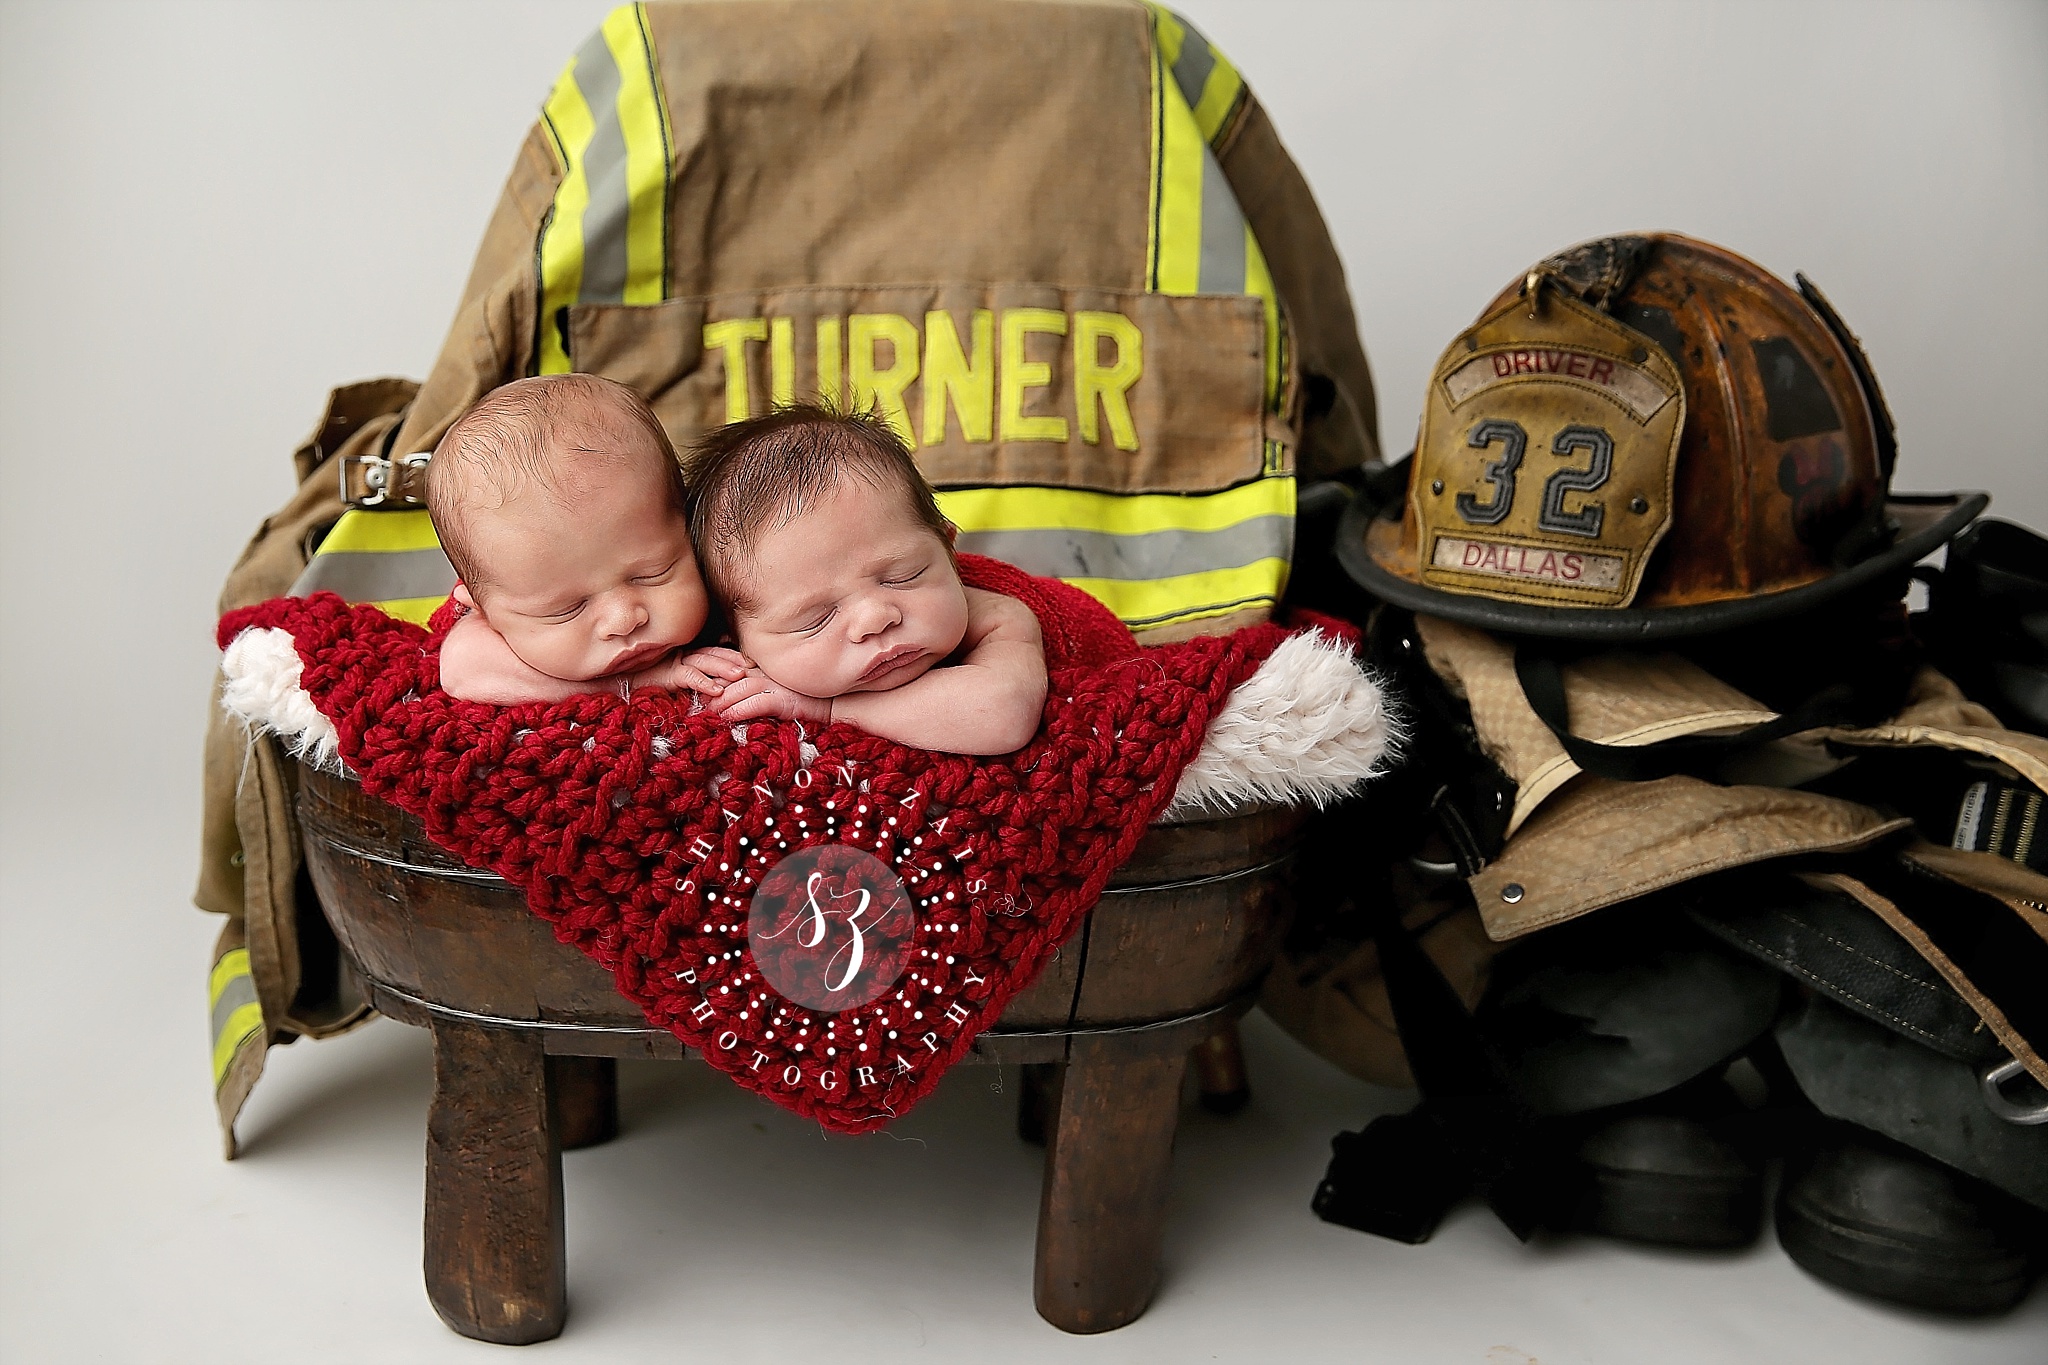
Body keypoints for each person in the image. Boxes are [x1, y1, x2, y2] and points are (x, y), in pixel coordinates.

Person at [684, 404, 1048, 755]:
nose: (875, 618)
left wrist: (827, 710)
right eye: (816, 618)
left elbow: (1003, 716)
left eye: (903, 576)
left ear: (949, 550)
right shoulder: (724, 664)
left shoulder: (999, 617)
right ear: (734, 640)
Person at [426, 373, 748, 704]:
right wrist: (643, 680)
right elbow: (461, 671)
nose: (623, 620)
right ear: (482, 609)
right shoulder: (486, 624)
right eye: (567, 608)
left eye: (653, 574)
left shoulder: (723, 573)